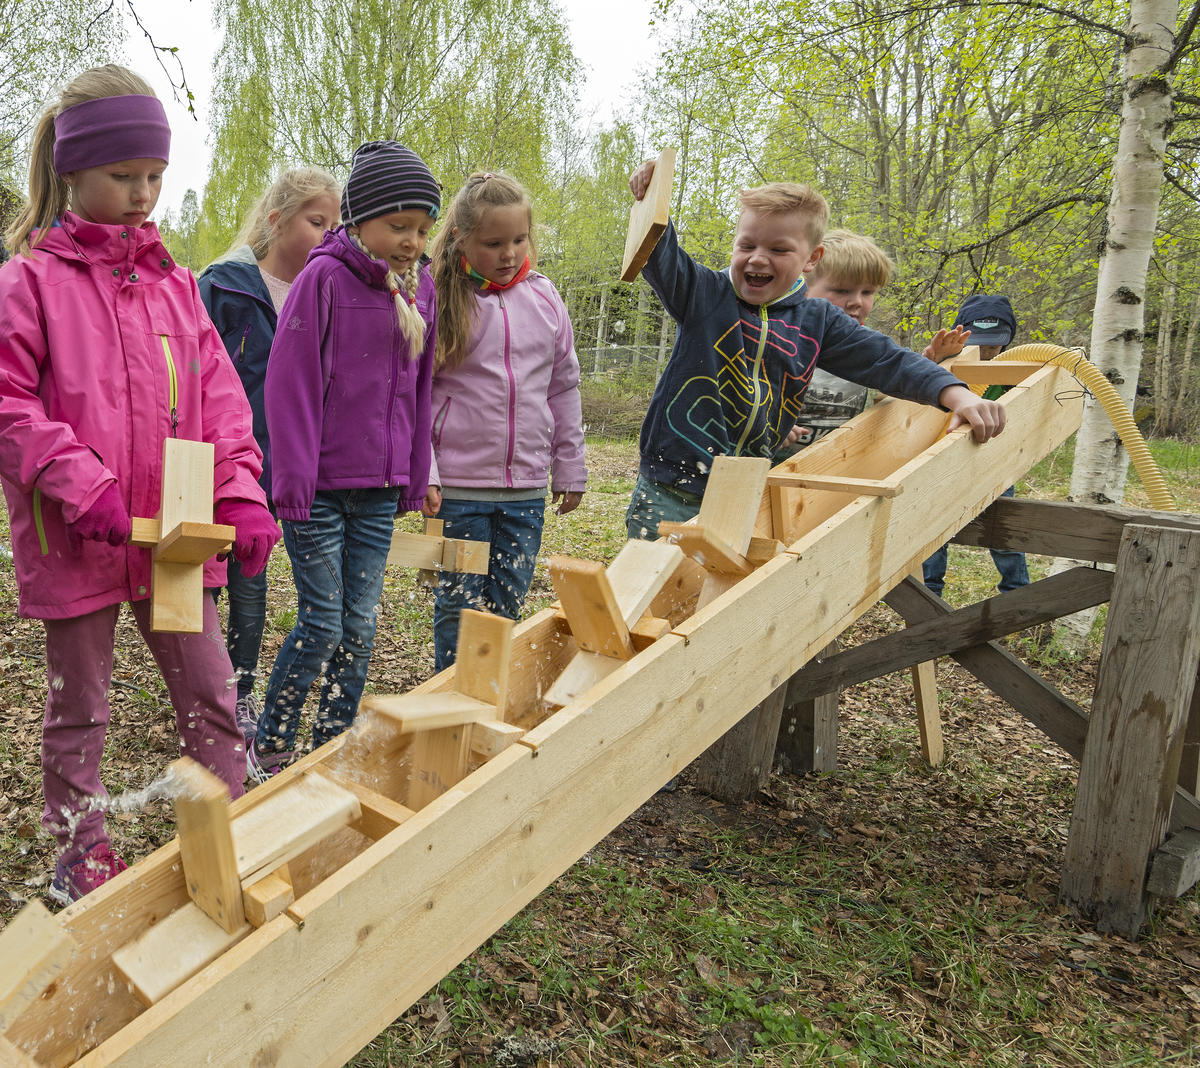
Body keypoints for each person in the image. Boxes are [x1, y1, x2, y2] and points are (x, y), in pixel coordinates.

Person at [0, 65, 278, 902]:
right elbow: (8, 402)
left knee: (211, 690)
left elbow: (221, 403)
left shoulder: (176, 287)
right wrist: (80, 484)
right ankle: (79, 855)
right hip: (76, 536)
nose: (143, 194)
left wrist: (241, 493)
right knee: (79, 707)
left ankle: (232, 830)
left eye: (155, 176)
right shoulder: (28, 283)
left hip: (176, 536)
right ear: (73, 170)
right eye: (124, 175)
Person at [623, 161, 1006, 540]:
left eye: (779, 249)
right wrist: (651, 196)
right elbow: (662, 255)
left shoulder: (818, 321)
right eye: (747, 245)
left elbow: (886, 360)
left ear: (812, 259)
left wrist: (956, 395)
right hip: (672, 486)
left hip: (747, 490)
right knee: (652, 575)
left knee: (724, 578)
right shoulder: (705, 296)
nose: (758, 258)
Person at [252, 141, 439, 780]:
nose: (412, 241)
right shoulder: (324, 278)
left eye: (422, 229)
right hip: (320, 489)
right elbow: (291, 381)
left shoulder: (420, 288)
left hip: (379, 490)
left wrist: (415, 474)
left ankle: (331, 749)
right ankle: (272, 742)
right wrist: (291, 478)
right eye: (399, 226)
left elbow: (420, 389)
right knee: (324, 622)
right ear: (359, 219)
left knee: (360, 627)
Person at [198, 168, 340, 760]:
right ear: (277, 220)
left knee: (251, 584)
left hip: (277, 471)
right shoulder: (224, 286)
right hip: (216, 464)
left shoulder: (324, 292)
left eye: (337, 225)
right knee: (211, 585)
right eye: (317, 221)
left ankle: (240, 692)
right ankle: (210, 693)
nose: (330, 235)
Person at [424, 172, 587, 671]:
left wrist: (570, 467)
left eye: (519, 239)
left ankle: (489, 696)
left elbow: (562, 386)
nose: (510, 253)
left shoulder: (545, 297)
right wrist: (425, 471)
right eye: (493, 243)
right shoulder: (437, 297)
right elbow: (415, 394)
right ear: (461, 239)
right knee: (459, 607)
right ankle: (451, 697)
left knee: (505, 604)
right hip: (457, 491)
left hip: (525, 493)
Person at [789, 229, 971, 449]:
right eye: (842, 290)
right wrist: (764, 424)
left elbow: (891, 374)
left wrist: (932, 362)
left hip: (845, 459)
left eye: (867, 292)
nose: (857, 301)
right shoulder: (782, 339)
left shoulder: (864, 345)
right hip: (778, 464)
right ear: (802, 287)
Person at [921, 293, 1030, 597]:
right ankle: (929, 596)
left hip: (996, 464)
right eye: (979, 345)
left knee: (1003, 531)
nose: (986, 352)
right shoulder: (945, 366)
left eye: (994, 346)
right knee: (932, 531)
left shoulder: (1014, 372)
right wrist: (934, 361)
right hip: (945, 460)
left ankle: (1016, 595)